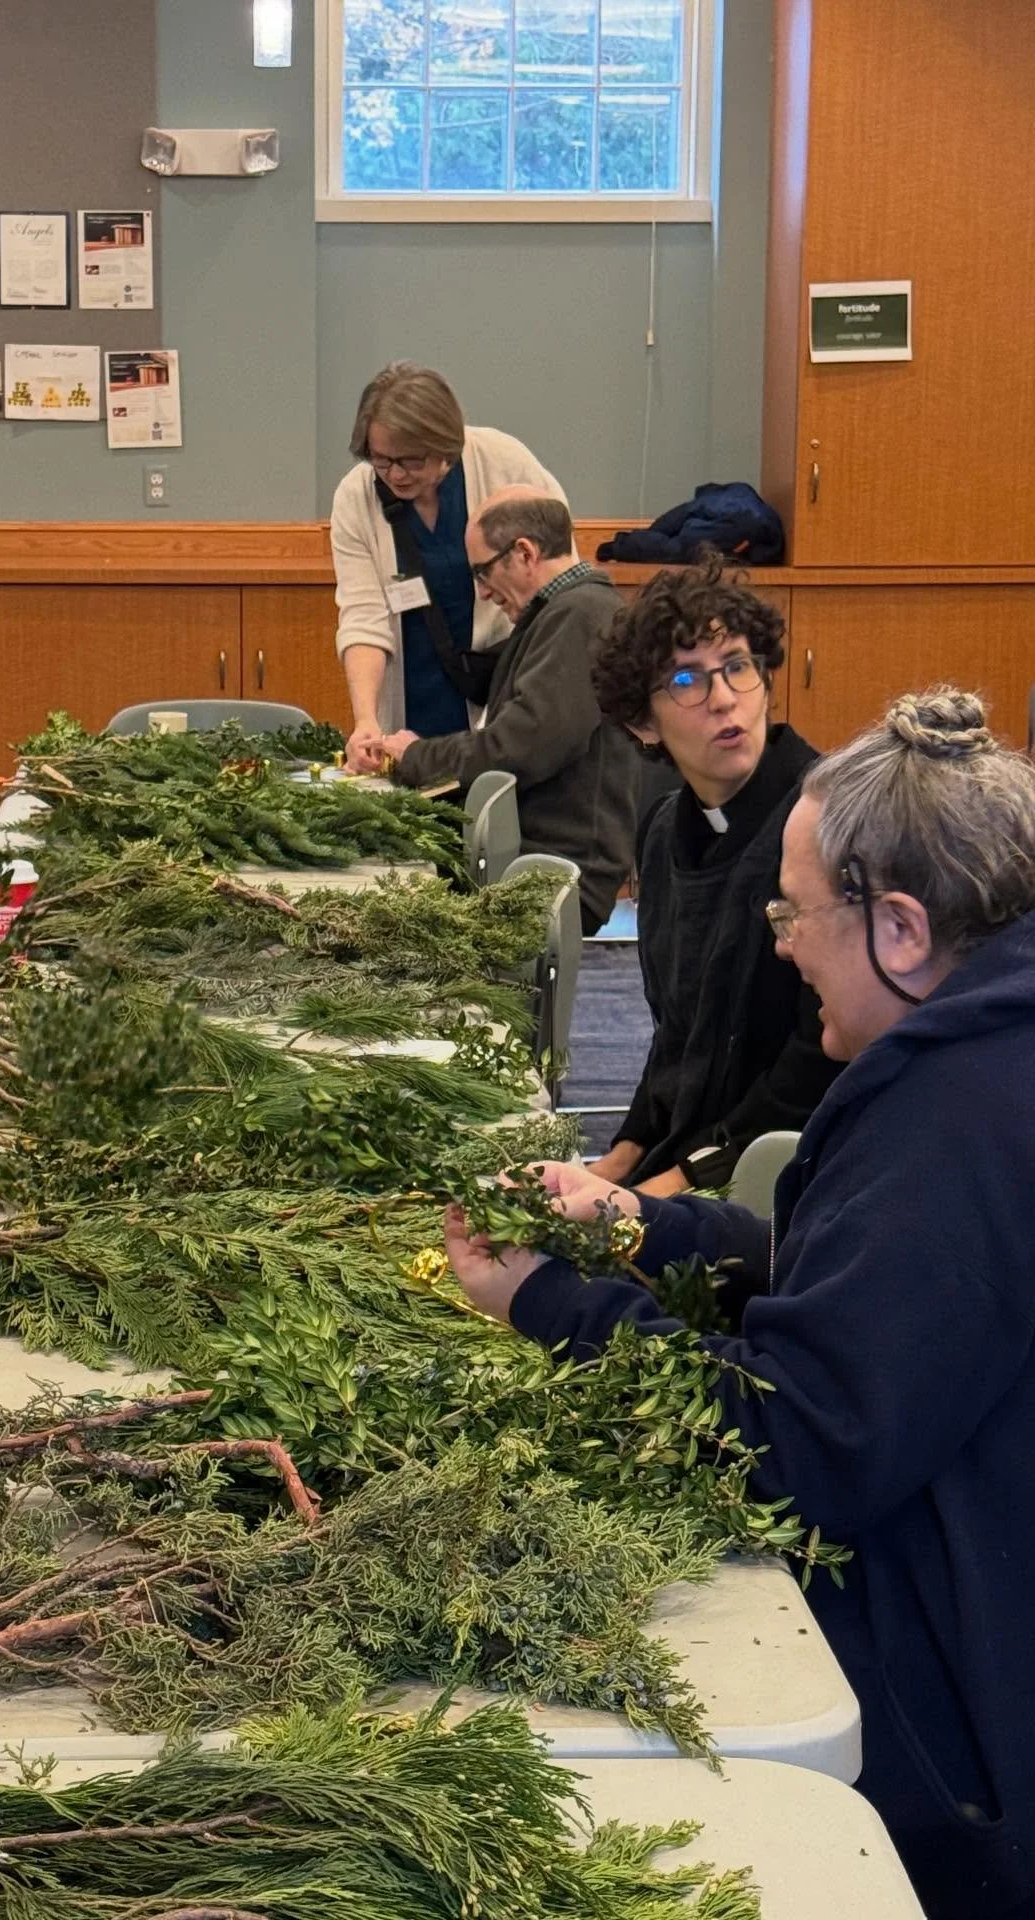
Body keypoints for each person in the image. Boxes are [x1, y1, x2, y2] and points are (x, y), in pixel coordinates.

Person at [445, 688, 1035, 1920]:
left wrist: (549, 1304)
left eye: (794, 912)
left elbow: (797, 1445)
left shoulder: (957, 1125)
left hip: (959, 1757)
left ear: (902, 928)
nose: (782, 945)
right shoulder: (984, 1055)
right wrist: (639, 1227)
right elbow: (859, 1283)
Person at [586, 554, 840, 1194]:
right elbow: (677, 1036)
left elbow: (819, 1062)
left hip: (789, 1167)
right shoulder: (664, 832)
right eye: (686, 679)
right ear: (643, 722)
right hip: (696, 1151)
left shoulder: (826, 824)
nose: (724, 698)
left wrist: (674, 1181)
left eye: (737, 666)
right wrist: (622, 1155)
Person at [376, 487, 638, 935]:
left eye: (482, 571)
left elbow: (520, 747)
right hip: (531, 857)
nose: (482, 592)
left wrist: (416, 758)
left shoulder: (580, 615)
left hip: (550, 869)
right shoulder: (566, 612)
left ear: (525, 553)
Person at [332, 363, 569, 765]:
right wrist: (366, 719)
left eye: (411, 461)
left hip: (502, 690)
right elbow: (363, 617)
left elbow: (560, 587)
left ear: (445, 446)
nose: (395, 475)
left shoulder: (504, 463)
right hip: (415, 695)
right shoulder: (357, 495)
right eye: (381, 460)